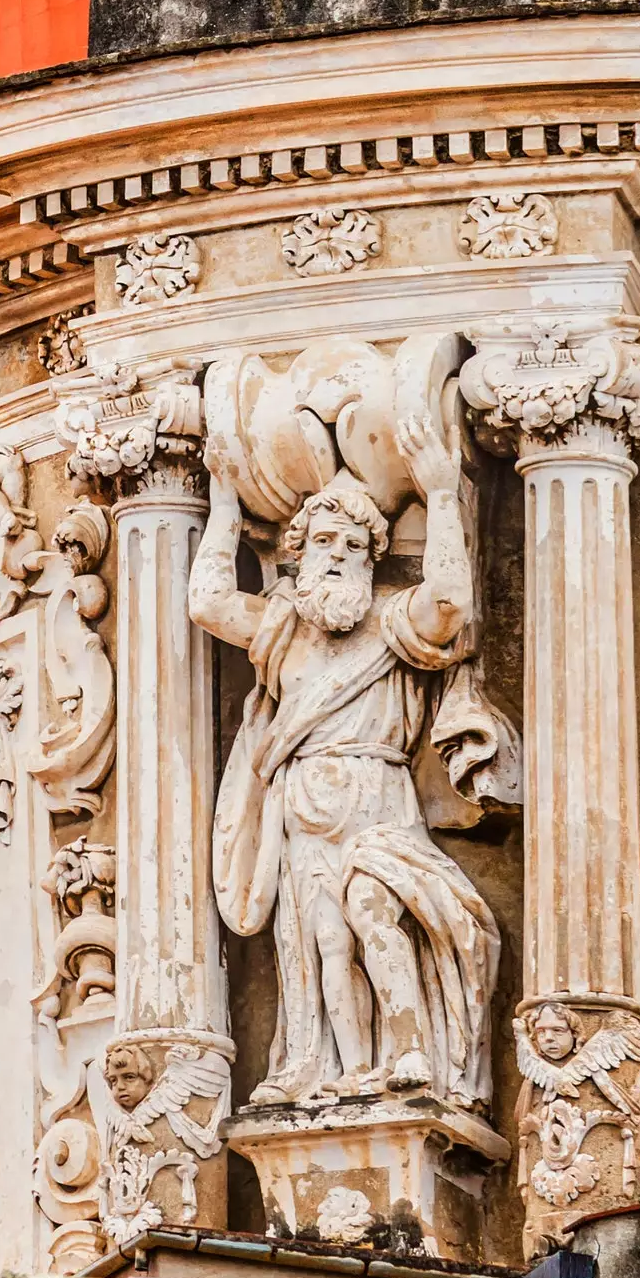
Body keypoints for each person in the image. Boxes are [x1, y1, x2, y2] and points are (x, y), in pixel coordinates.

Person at [189, 416, 500, 1111]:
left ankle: (410, 1047)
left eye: (353, 544)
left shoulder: (394, 623)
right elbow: (207, 602)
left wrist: (444, 496)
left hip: (375, 794)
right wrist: (224, 507)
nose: (337, 555)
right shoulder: (282, 630)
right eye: (323, 542)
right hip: (302, 804)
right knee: (324, 940)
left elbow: (450, 601)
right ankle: (341, 1072)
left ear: (372, 557)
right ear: (299, 555)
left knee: (372, 910)